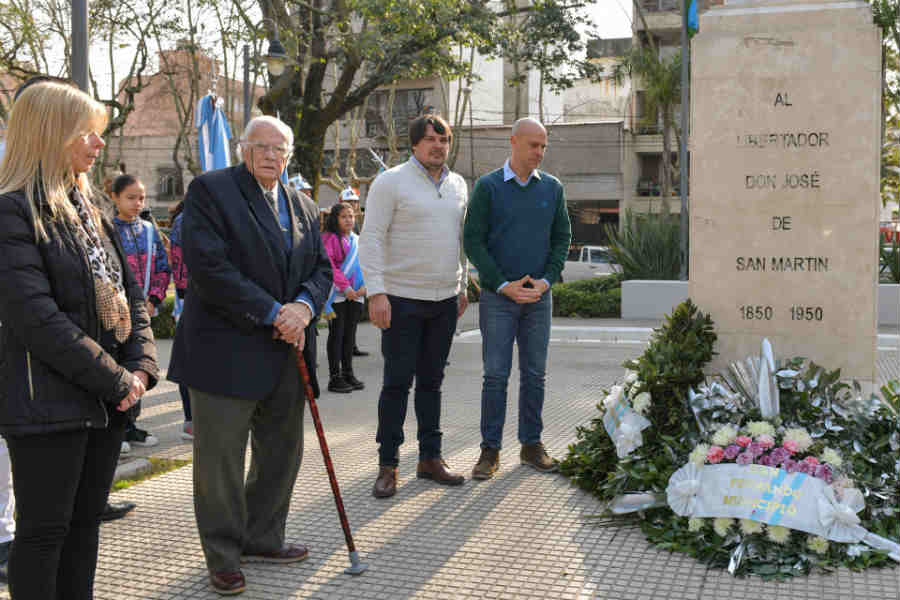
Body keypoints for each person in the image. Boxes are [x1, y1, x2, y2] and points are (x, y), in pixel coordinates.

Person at [0, 79, 158, 599]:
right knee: (45, 534)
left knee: (86, 525)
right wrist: (116, 379)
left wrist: (140, 367)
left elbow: (131, 296)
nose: (97, 143)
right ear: (50, 133)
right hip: (48, 404)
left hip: (106, 400)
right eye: (86, 132)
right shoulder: (12, 211)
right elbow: (35, 317)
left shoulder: (90, 210)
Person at [168, 115, 332, 596]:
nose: (269, 155)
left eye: (279, 148)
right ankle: (222, 554)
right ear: (243, 149)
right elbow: (208, 267)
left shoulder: (302, 205)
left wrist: (302, 308)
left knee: (281, 453)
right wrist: (270, 312)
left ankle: (263, 537)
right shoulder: (211, 192)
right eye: (260, 146)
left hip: (287, 350)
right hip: (225, 350)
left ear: (290, 154)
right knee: (220, 461)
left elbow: (321, 268)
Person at [359, 114, 469, 499]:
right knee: (396, 384)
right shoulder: (390, 183)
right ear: (415, 144)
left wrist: (462, 282)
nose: (439, 146)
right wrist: (376, 292)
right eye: (431, 139)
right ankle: (388, 465)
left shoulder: (457, 185)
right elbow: (370, 238)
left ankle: (430, 458)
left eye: (445, 139)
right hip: (401, 300)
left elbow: (460, 238)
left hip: (444, 302)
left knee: (433, 383)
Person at [463, 117, 571, 480]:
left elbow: (562, 239)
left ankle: (531, 446)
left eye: (544, 146)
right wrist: (500, 283)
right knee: (495, 375)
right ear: (513, 142)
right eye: (533, 145)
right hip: (499, 298)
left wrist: (545, 281)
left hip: (539, 299)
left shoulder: (553, 189)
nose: (539, 152)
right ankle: (489, 451)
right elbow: (472, 240)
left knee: (535, 375)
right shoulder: (488, 188)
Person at [111, 174, 168, 451]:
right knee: (117, 365)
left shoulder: (149, 230)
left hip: (143, 311)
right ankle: (117, 427)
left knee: (140, 365)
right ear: (115, 198)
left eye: (141, 198)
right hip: (114, 311)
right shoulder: (106, 230)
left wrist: (154, 298)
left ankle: (132, 425)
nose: (137, 203)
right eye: (130, 198)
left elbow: (162, 266)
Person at [321, 201, 367, 393]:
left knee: (350, 335)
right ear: (335, 219)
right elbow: (329, 265)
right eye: (344, 216)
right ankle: (334, 376)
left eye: (351, 216)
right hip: (338, 294)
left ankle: (348, 372)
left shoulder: (357, 239)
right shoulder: (329, 238)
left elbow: (365, 263)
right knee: (337, 334)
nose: (348, 220)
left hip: (357, 294)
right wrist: (345, 287)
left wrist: (365, 285)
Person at [168, 200, 193, 440]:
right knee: (189, 361)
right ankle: (191, 420)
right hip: (191, 303)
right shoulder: (185, 221)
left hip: (217, 303)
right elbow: (179, 266)